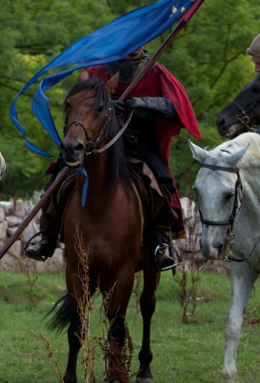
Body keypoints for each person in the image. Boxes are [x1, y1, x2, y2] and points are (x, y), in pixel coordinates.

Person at [24, 47, 200, 271]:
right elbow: (78, 102)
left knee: (160, 182)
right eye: (133, 41)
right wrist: (105, 108)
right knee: (59, 173)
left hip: (137, 145)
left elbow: (177, 107)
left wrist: (145, 103)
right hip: (96, 145)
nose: (136, 47)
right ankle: (47, 237)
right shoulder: (97, 69)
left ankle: (159, 245)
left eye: (141, 42)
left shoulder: (155, 71)